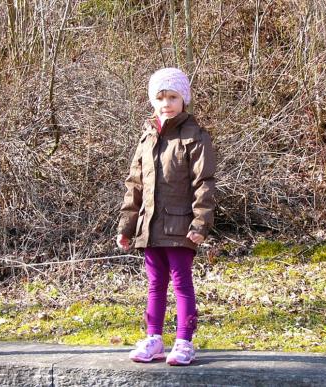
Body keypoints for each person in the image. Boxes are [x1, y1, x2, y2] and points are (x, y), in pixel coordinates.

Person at [116, 67, 216, 366]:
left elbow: (204, 183)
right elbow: (134, 185)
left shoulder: (195, 136)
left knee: (181, 282)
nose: (166, 103)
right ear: (152, 101)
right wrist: (127, 226)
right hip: (149, 225)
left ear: (183, 99)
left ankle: (184, 341)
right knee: (154, 283)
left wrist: (200, 223)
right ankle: (154, 338)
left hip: (181, 225)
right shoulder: (147, 136)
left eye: (172, 96)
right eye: (160, 97)